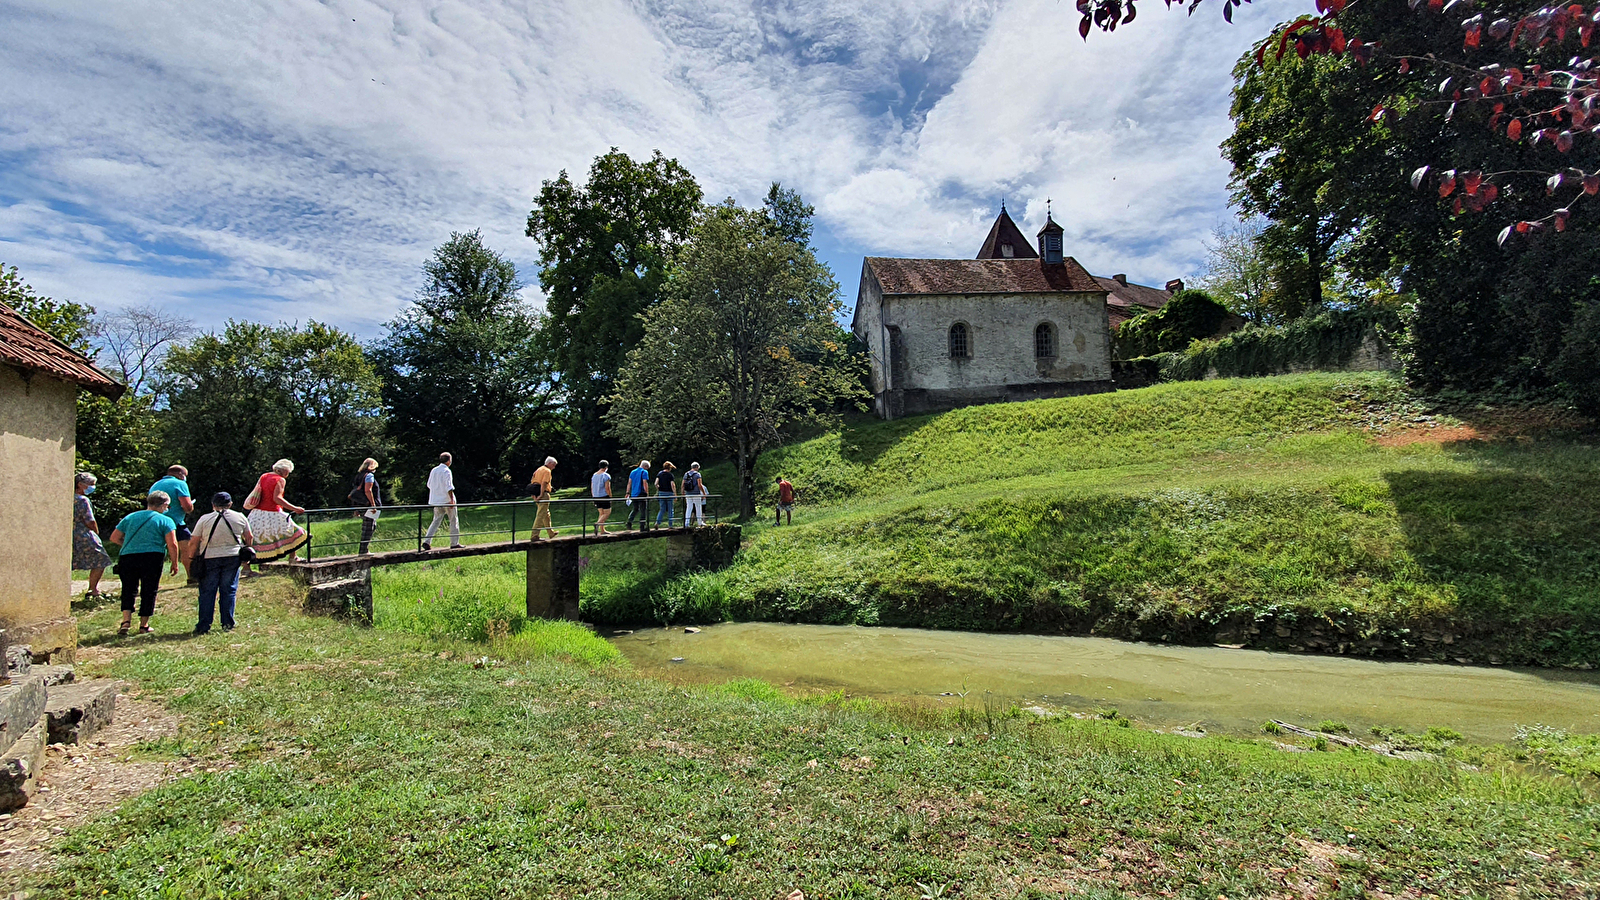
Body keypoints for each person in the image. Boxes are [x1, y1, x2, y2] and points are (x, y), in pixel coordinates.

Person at [108, 491, 180, 636]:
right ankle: (144, 624)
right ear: (164, 505)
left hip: (128, 556)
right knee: (149, 589)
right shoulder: (165, 520)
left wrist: (129, 546)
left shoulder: (130, 517)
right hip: (152, 557)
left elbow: (114, 537)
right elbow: (172, 543)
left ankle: (126, 621)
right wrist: (174, 563)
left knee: (128, 588)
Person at [186, 492, 253, 635]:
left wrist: (192, 558)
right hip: (232, 556)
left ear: (213, 504)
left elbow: (194, 541)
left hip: (210, 557)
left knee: (207, 592)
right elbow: (249, 536)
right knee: (228, 590)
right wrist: (246, 553)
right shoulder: (240, 517)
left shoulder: (205, 519)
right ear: (230, 504)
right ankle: (228, 623)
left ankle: (204, 625)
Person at [245, 459, 308, 564]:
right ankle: (293, 557)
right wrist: (295, 508)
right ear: (283, 471)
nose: (287, 475)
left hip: (257, 513)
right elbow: (277, 498)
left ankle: (247, 566)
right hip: (273, 512)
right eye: (287, 472)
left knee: (254, 539)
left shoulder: (264, 476)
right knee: (294, 532)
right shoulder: (280, 479)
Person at [72, 472, 113, 599]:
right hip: (82, 534)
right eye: (91, 484)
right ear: (80, 485)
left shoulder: (67, 497)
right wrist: (96, 532)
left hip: (69, 534)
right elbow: (89, 520)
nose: (93, 487)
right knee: (101, 559)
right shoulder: (83, 500)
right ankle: (93, 589)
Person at [150, 465, 195, 576]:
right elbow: (187, 506)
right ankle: (191, 576)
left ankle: (153, 579)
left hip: (156, 522)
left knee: (156, 551)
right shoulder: (180, 484)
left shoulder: (155, 485)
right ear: (180, 474)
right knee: (188, 549)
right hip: (176, 522)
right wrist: (190, 508)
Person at [423, 452, 460, 551]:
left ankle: (427, 540)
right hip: (446, 500)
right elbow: (449, 487)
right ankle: (454, 543)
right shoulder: (446, 471)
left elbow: (429, 484)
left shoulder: (434, 470)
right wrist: (451, 500)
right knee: (453, 520)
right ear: (449, 461)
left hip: (436, 501)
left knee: (436, 520)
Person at [351, 458, 382, 554]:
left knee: (370, 525)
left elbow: (355, 492)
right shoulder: (369, 476)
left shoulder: (358, 476)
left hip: (360, 505)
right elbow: (368, 491)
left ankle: (364, 549)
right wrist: (373, 505)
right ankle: (363, 550)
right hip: (367, 505)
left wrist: (355, 508)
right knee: (369, 527)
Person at [530, 456, 559, 540]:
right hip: (543, 494)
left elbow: (533, 482)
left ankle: (551, 533)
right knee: (540, 515)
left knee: (546, 514)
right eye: (554, 465)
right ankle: (534, 535)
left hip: (536, 493)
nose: (554, 467)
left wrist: (534, 496)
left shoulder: (538, 469)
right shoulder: (547, 471)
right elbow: (544, 483)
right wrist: (541, 494)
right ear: (549, 463)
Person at [624, 459, 652, 530]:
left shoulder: (633, 472)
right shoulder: (644, 472)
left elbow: (629, 483)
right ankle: (642, 526)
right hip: (641, 493)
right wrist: (647, 493)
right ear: (645, 467)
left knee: (635, 509)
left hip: (634, 494)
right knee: (643, 510)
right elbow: (645, 483)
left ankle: (629, 522)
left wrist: (627, 492)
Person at [683, 462, 709, 527]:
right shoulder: (697, 474)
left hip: (688, 493)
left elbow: (683, 484)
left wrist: (683, 492)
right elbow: (699, 485)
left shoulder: (686, 474)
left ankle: (686, 523)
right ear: (697, 467)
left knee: (689, 508)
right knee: (698, 507)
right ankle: (700, 522)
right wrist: (704, 493)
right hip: (696, 493)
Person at [590, 460, 613, 533]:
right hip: (604, 496)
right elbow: (607, 488)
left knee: (601, 513)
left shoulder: (594, 475)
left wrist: (593, 497)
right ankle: (597, 524)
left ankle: (602, 530)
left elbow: (592, 487)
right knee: (607, 512)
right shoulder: (606, 475)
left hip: (596, 496)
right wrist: (610, 496)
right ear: (606, 467)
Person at [654, 461, 678, 527]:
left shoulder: (660, 474)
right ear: (669, 468)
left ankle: (657, 522)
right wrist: (675, 494)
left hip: (661, 493)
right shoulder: (670, 475)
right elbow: (672, 485)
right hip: (669, 493)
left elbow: (656, 483)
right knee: (670, 509)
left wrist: (658, 489)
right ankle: (670, 525)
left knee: (662, 509)